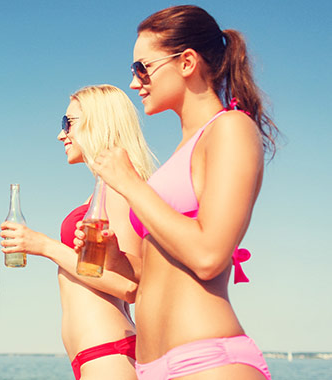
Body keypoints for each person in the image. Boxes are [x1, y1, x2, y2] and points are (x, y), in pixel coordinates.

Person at [77, 5, 278, 379]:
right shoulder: (177, 154)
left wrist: (132, 185)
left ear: (187, 62)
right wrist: (114, 256)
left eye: (142, 68)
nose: (135, 83)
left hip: (207, 361)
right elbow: (147, 277)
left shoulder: (230, 129)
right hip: (151, 366)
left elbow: (208, 255)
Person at [1, 85, 155, 379]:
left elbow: (130, 286)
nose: (61, 134)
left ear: (99, 123)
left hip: (107, 353)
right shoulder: (102, 191)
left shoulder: (119, 190)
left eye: (67, 123)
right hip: (96, 354)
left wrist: (44, 246)